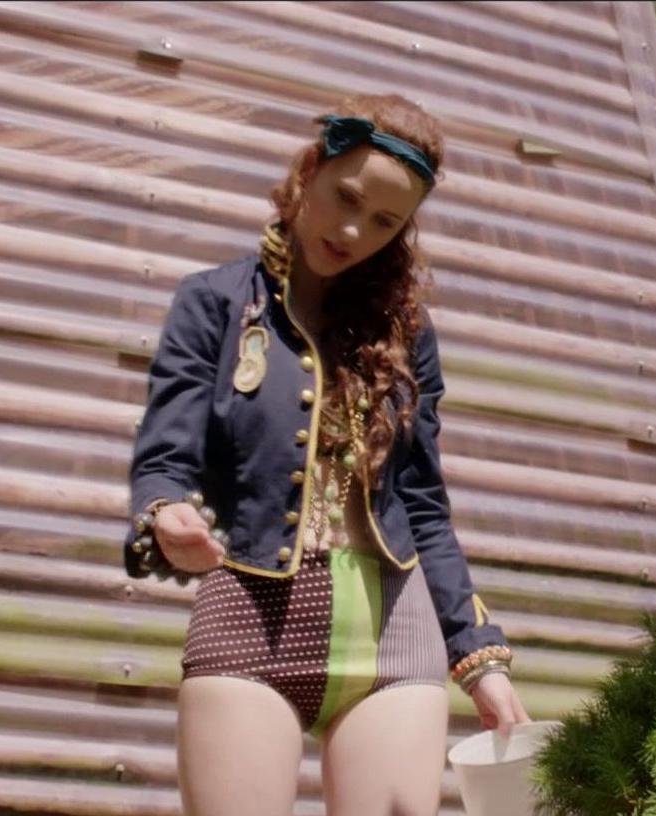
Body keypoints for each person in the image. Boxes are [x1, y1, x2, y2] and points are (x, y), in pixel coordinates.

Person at [122, 93, 530, 815]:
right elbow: (165, 459)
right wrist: (164, 513)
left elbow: (423, 507)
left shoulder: (407, 337)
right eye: (347, 197)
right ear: (310, 169)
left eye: (384, 222)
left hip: (393, 632)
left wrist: (479, 657)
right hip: (247, 611)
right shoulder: (214, 303)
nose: (353, 231)